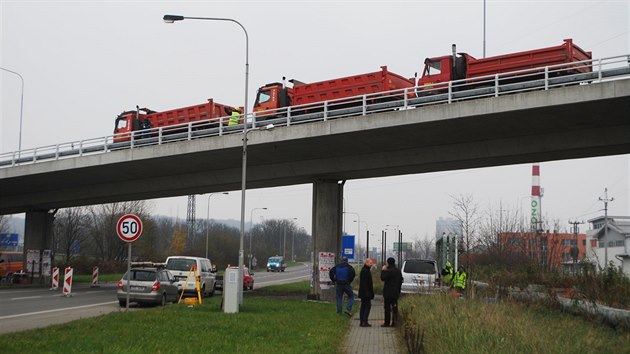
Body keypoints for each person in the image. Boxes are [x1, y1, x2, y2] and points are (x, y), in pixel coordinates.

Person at [380, 257, 403, 327]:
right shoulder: (398, 271)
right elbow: (400, 281)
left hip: (387, 293)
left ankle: (387, 323)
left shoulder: (388, 271)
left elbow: (382, 278)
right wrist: (398, 290)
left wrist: (383, 270)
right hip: (395, 293)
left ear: (388, 263)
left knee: (387, 308)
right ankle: (394, 322)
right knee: (394, 308)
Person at [358, 258, 374, 327]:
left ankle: (362, 321)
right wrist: (367, 292)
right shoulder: (365, 271)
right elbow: (364, 283)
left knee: (363, 306)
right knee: (367, 306)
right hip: (365, 293)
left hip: (364, 292)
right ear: (366, 263)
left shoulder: (365, 270)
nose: (372, 265)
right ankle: (364, 321)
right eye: (370, 263)